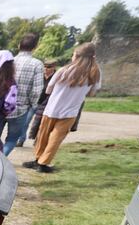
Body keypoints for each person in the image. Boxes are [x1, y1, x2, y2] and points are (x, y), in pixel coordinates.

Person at [23, 43, 101, 173]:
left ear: (77, 56)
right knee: (56, 139)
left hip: (52, 109)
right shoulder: (95, 73)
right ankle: (43, 163)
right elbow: (92, 93)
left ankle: (37, 159)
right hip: (70, 112)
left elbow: (48, 90)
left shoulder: (64, 70)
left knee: (43, 136)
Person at [3, 33, 44, 156]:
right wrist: (32, 104)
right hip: (21, 108)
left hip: (1, 106)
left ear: (19, 45)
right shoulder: (37, 64)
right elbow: (37, 90)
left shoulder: (9, 61)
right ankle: (1, 159)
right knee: (11, 139)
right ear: (35, 46)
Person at [27, 60, 58, 141]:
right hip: (34, 102)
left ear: (54, 67)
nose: (46, 69)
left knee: (40, 123)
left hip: (47, 103)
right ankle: (21, 139)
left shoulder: (56, 77)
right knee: (26, 122)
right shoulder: (39, 76)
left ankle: (37, 140)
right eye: (44, 66)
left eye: (49, 67)